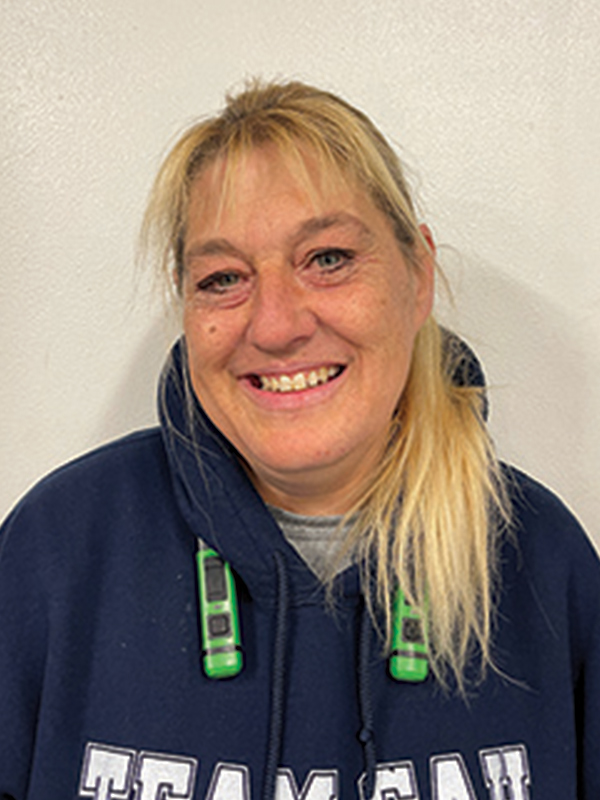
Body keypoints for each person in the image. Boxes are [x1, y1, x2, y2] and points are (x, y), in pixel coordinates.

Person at [0, 79, 598, 800]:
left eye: (328, 258)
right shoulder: (59, 552)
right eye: (224, 277)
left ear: (417, 277)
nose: (277, 324)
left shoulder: (544, 564)